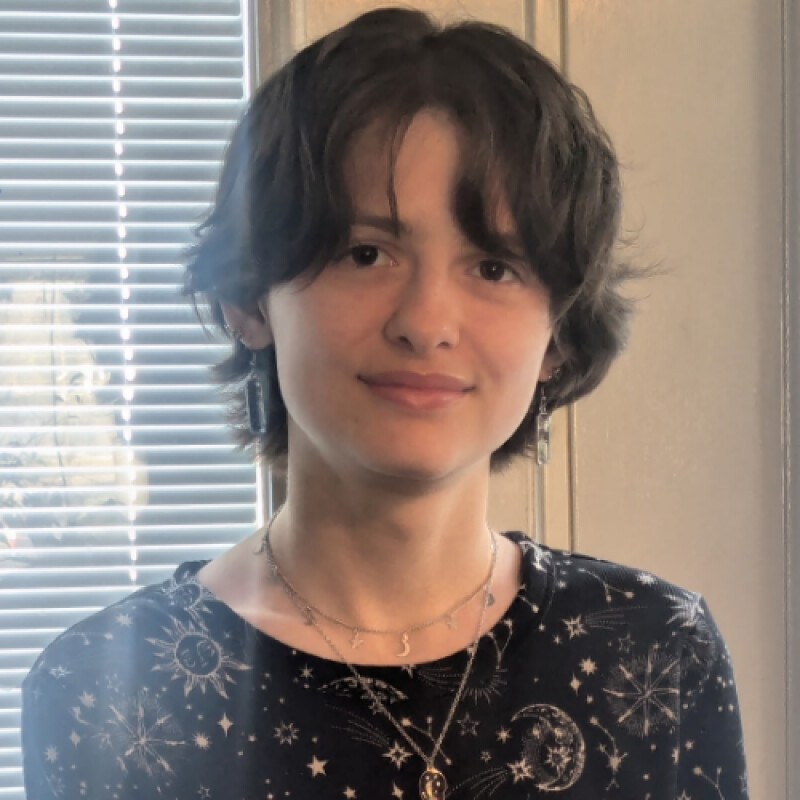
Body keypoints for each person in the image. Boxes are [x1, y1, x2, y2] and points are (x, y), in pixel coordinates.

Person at [22, 8, 748, 799]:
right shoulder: (104, 693)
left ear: (559, 337)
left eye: (494, 267)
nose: (426, 323)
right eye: (366, 253)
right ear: (249, 300)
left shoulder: (655, 653)